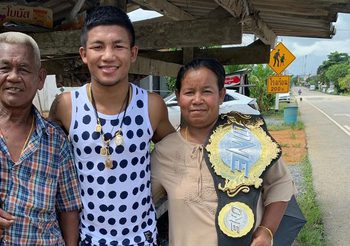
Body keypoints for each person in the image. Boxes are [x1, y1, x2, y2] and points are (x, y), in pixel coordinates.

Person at [49, 5, 175, 246]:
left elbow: (177, 153)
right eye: (98, 46)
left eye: (118, 46)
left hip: (141, 237)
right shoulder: (66, 106)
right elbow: (42, 157)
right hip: (86, 238)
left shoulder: (152, 106)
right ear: (84, 54)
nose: (108, 56)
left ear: (133, 52)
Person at [151, 58, 295, 246]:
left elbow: (280, 183)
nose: (197, 100)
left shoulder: (248, 140)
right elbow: (138, 200)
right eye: (189, 92)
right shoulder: (164, 151)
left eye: (206, 91)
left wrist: (266, 230)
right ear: (178, 96)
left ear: (221, 94)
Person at [0, 32, 81, 245]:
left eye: (24, 69)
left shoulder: (56, 141)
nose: (14, 77)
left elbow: (69, 208)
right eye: (4, 68)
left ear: (40, 79)